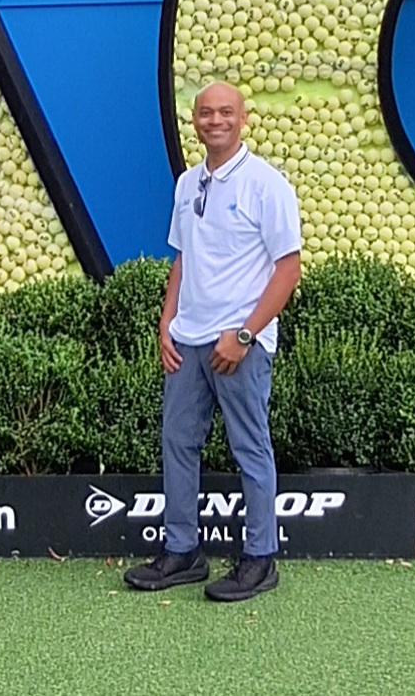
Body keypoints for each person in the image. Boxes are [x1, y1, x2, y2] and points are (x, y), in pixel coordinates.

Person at [123, 82, 302, 602]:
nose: (215, 120)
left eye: (225, 112)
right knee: (178, 444)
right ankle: (182, 552)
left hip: (238, 345)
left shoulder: (267, 186)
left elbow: (287, 271)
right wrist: (166, 322)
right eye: (206, 113)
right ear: (195, 121)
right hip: (188, 341)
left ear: (242, 119)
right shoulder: (187, 183)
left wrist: (244, 335)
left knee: (251, 449)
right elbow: (183, 256)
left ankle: (260, 559)